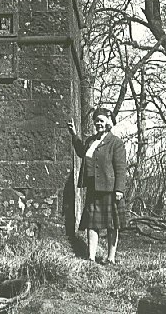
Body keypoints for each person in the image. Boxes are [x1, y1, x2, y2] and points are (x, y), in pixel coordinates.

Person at [67, 107, 126, 264]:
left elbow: (121, 168)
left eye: (101, 120)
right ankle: (91, 257)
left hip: (110, 189)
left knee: (112, 225)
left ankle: (111, 258)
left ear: (108, 122)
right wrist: (74, 134)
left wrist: (119, 189)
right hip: (93, 188)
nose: (98, 123)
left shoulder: (116, 142)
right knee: (92, 224)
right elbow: (81, 152)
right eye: (96, 121)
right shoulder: (91, 141)